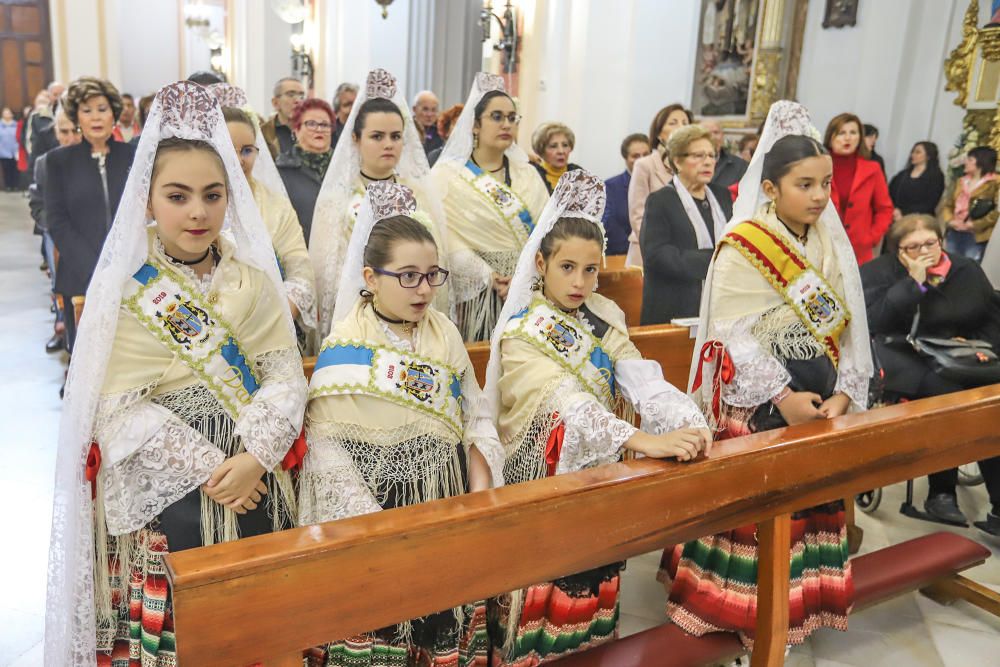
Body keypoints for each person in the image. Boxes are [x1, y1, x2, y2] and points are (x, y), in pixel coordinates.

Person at [43, 79, 306, 667]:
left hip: (254, 473)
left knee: (261, 630)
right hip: (172, 488)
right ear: (147, 200)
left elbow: (286, 375)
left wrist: (256, 456)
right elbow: (112, 410)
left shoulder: (250, 280)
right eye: (178, 195)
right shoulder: (123, 294)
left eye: (213, 196)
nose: (198, 212)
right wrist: (216, 469)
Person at [483, 169, 710, 664]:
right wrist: (642, 440)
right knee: (549, 575)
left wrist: (687, 419)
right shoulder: (522, 331)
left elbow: (638, 375)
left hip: (600, 466)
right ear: (540, 264)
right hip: (545, 475)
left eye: (590, 270)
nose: (580, 282)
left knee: (596, 571)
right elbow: (568, 401)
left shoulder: (603, 313)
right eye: (567, 268)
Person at [667, 101, 872, 650]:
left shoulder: (830, 243)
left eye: (825, 184)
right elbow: (731, 333)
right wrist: (782, 397)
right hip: (762, 407)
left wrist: (848, 391)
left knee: (807, 507)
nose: (818, 196)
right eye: (804, 184)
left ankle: (798, 606)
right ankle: (734, 610)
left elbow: (854, 325)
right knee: (758, 514)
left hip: (822, 399)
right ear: (772, 188)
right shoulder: (744, 247)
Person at [299, 181, 503, 665]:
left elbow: (474, 414)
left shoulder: (445, 332)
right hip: (372, 516)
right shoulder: (344, 345)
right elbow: (325, 449)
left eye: (433, 274)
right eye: (408, 276)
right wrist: (379, 527)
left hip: (442, 504)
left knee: (439, 627)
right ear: (370, 276)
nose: (425, 289)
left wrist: (475, 498)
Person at [860, 214, 1000, 535]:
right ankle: (941, 493)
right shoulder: (880, 272)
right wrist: (915, 283)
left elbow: (991, 316)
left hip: (959, 355)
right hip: (906, 355)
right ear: (898, 250)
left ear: (942, 241)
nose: (925, 250)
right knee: (948, 395)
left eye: (930, 243)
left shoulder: (965, 270)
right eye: (914, 246)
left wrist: (981, 345)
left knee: (992, 397)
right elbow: (876, 321)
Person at [310, 68, 450, 343]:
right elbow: (328, 274)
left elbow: (438, 256)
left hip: (418, 313)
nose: (389, 144)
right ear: (355, 139)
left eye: (396, 136)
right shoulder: (337, 198)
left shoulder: (418, 192)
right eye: (377, 136)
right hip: (359, 318)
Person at [430, 72, 548, 342]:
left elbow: (547, 231)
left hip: (530, 289)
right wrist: (488, 275)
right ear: (474, 125)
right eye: (496, 117)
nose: (506, 124)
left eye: (511, 117)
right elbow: (442, 235)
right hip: (477, 295)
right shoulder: (447, 177)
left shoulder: (527, 174)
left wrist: (528, 279)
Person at [212, 84, 318, 346]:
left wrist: (273, 322)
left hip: (272, 331)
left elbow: (301, 273)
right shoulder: (194, 206)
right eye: (228, 149)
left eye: (247, 150)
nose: (239, 160)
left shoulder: (275, 205)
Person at [45, 77, 136, 351]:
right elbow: (57, 220)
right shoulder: (59, 161)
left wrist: (121, 262)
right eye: (87, 111)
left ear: (114, 115)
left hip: (127, 270)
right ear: (76, 118)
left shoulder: (132, 155)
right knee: (85, 351)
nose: (95, 117)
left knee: (124, 351)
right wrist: (95, 267)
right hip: (80, 272)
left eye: (102, 109)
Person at [640, 125, 733, 325]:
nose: (708, 161)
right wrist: (713, 260)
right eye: (698, 156)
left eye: (711, 155)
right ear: (677, 161)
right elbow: (656, 256)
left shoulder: (722, 196)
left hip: (718, 305)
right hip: (675, 307)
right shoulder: (661, 200)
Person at [30, 106, 81, 354]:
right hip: (57, 237)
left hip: (90, 238)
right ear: (55, 133)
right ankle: (65, 340)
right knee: (60, 286)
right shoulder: (44, 163)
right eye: (64, 131)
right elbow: (37, 202)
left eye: (75, 131)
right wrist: (54, 225)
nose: (71, 137)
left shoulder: (96, 162)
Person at [627, 103, 693, 266]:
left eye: (685, 123)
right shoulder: (645, 165)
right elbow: (638, 216)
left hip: (683, 255)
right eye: (673, 123)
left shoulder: (691, 166)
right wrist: (660, 250)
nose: (681, 127)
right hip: (647, 253)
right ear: (659, 134)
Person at [824, 112, 893, 264]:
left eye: (853, 132)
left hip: (858, 251)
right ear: (831, 137)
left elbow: (885, 209)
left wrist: (871, 237)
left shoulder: (872, 169)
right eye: (842, 133)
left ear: (860, 137)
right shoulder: (818, 166)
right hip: (823, 246)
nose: (848, 138)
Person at [275, 97, 336, 244]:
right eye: (311, 124)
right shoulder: (282, 170)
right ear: (296, 130)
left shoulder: (343, 169)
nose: (319, 129)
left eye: (325, 125)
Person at [941, 146, 998, 262]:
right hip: (954, 230)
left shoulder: (994, 183)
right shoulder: (961, 181)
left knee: (969, 267)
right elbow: (948, 204)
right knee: (949, 265)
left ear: (981, 161)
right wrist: (951, 220)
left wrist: (974, 224)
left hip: (976, 235)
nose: (966, 162)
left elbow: (996, 211)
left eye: (970, 159)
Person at [602, 132, 650, 256]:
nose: (641, 160)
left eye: (646, 155)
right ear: (625, 157)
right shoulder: (611, 187)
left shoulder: (660, 184)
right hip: (623, 255)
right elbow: (611, 227)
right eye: (635, 156)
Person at [888, 141, 946, 219]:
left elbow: (930, 203)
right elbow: (889, 194)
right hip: (895, 216)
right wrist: (894, 210)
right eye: (912, 152)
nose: (913, 155)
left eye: (918, 152)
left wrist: (905, 214)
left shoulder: (936, 177)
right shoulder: (902, 175)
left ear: (928, 156)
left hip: (920, 219)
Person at [530, 121, 583, 194]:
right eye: (553, 146)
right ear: (541, 150)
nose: (561, 151)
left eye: (565, 145)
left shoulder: (579, 175)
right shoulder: (532, 175)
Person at [260, 76, 305, 158]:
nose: (298, 101)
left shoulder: (311, 130)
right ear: (275, 103)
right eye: (291, 95)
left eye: (301, 96)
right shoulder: (263, 133)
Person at [702, 118, 748, 189]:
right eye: (707, 133)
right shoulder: (688, 164)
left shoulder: (740, 166)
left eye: (716, 132)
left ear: (722, 136)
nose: (712, 137)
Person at [426, 102, 464, 167]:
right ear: (447, 130)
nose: (461, 129)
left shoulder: (473, 156)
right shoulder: (435, 156)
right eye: (457, 124)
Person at [413, 89, 443, 155]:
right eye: (425, 109)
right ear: (414, 109)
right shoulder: (405, 129)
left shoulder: (442, 132)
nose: (429, 114)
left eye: (433, 110)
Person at [330, 81, 358, 148]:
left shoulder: (369, 131)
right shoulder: (329, 134)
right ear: (337, 110)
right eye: (347, 104)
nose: (353, 109)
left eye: (356, 104)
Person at [0, 107, 18, 190]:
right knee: (6, 169)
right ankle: (8, 186)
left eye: (8, 112)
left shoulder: (16, 124)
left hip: (15, 151)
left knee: (15, 169)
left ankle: (15, 185)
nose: (7, 114)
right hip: (3, 151)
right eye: (5, 112)